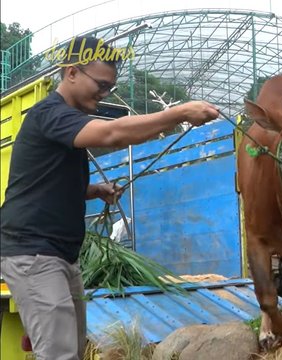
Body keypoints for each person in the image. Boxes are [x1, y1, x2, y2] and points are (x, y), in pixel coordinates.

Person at [0, 36, 219, 360]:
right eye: (101, 84)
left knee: (70, 349)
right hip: (34, 253)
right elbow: (112, 133)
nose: (104, 93)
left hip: (60, 254)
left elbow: (41, 185)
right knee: (59, 354)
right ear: (71, 72)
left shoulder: (64, 124)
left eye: (110, 87)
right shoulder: (49, 114)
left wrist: (92, 190)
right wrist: (180, 113)